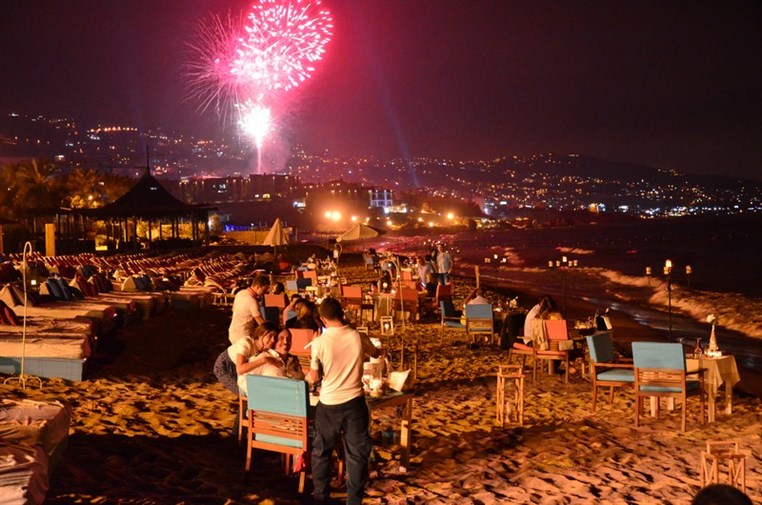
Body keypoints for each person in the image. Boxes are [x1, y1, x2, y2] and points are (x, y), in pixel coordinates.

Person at [310, 298, 380, 505]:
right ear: (342, 313)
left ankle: (321, 496)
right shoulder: (358, 336)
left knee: (322, 451)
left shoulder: (319, 342)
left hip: (330, 402)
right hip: (355, 402)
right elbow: (376, 352)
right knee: (357, 455)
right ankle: (354, 500)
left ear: (322, 319)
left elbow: (313, 377)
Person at [214, 321, 279, 396]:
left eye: (275, 337)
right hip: (225, 366)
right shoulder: (246, 343)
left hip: (241, 367)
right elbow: (240, 369)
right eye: (270, 336)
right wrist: (264, 360)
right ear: (260, 334)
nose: (273, 340)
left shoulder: (266, 347)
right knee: (243, 393)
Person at [237, 326, 305, 395]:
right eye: (281, 338)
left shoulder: (293, 360)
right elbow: (242, 378)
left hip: (295, 398)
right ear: (274, 341)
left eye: (289, 339)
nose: (285, 342)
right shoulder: (264, 357)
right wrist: (259, 394)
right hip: (271, 400)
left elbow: (302, 380)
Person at [228, 274, 270, 344]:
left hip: (233, 332)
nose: (264, 293)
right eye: (264, 290)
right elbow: (260, 321)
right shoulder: (252, 301)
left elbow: (233, 309)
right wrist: (271, 328)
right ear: (258, 287)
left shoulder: (240, 293)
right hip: (243, 335)